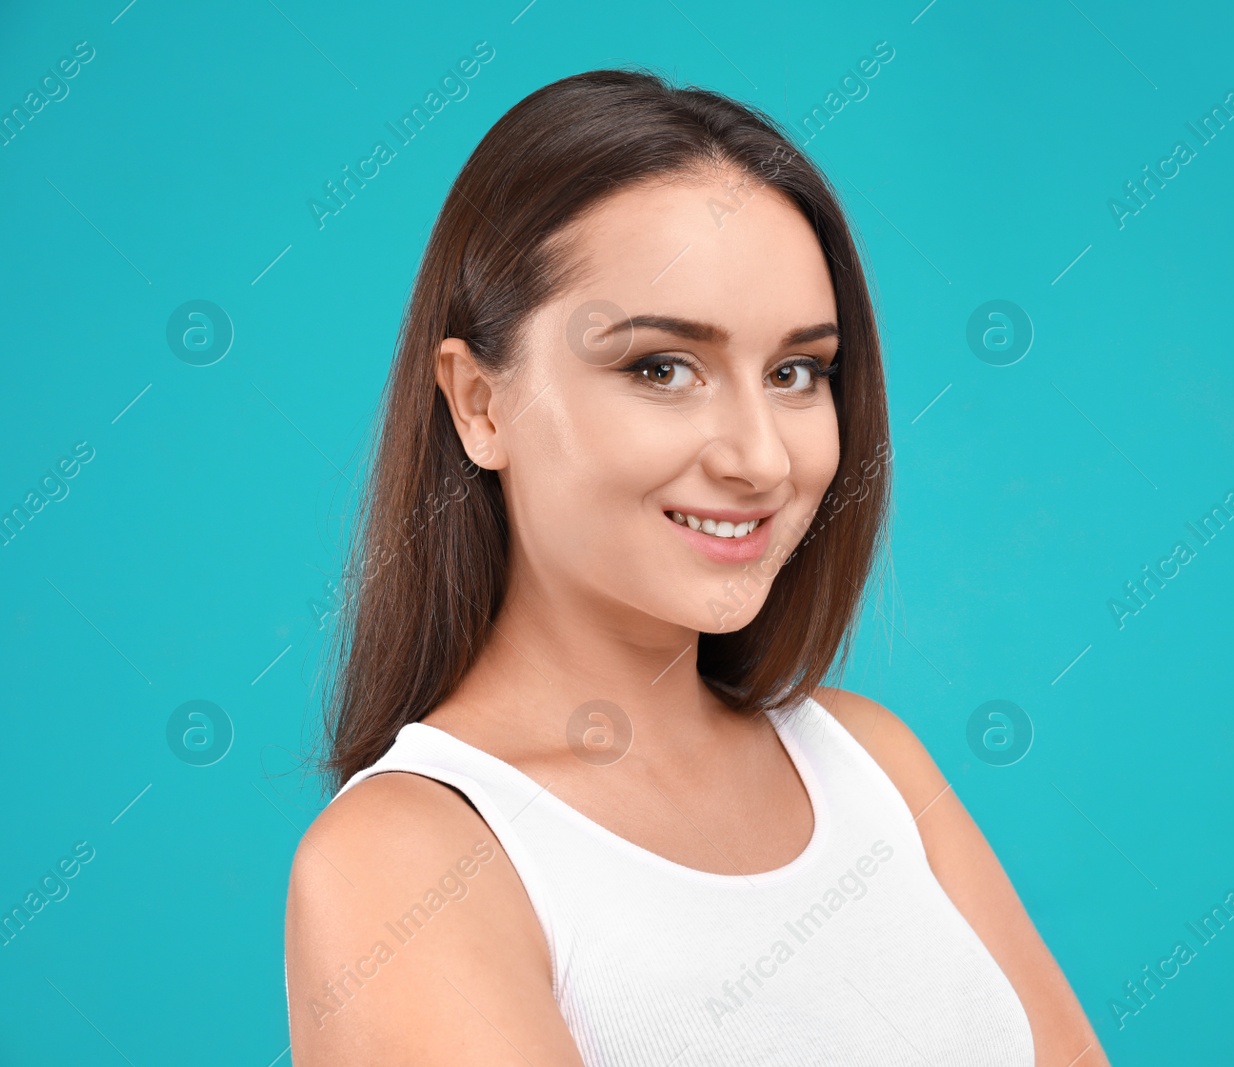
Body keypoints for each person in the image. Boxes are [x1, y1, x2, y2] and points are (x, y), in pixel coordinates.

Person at [283, 66, 1108, 1066]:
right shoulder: (410, 857)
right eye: (661, 367)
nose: (759, 457)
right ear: (480, 403)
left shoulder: (870, 763)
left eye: (797, 371)